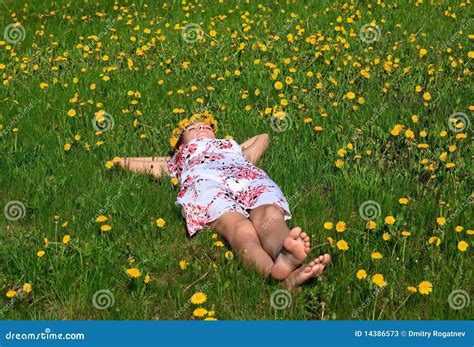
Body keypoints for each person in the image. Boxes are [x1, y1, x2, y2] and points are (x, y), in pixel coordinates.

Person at [120, 113, 330, 290]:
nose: (202, 128)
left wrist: (234, 148)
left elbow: (263, 137)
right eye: (193, 128)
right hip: (207, 185)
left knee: (269, 215)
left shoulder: (233, 148)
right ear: (179, 142)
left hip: (247, 178)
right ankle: (272, 272)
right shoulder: (178, 159)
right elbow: (130, 162)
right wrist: (164, 157)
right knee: (239, 228)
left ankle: (284, 254)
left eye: (207, 126)